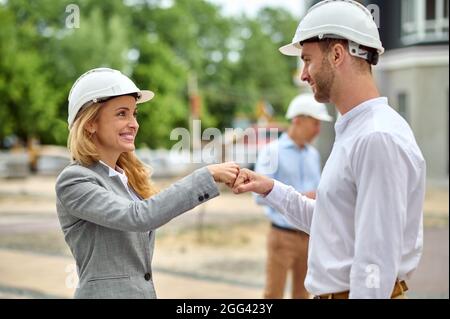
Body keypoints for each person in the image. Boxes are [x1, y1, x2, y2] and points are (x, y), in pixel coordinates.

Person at [233, 0, 426, 299]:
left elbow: (375, 262)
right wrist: (270, 188)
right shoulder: (358, 131)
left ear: (337, 55)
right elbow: (331, 222)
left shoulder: (376, 137)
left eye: (307, 59)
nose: (303, 74)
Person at [55, 67, 239, 298]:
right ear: (90, 123)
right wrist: (206, 176)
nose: (134, 123)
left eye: (134, 113)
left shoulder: (125, 178)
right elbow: (139, 216)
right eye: (122, 114)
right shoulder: (75, 180)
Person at [255, 93, 332, 299]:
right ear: (297, 120)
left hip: (310, 237)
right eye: (315, 123)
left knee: (303, 295)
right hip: (282, 236)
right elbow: (258, 195)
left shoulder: (313, 155)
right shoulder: (272, 152)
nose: (318, 130)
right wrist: (299, 195)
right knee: (273, 295)